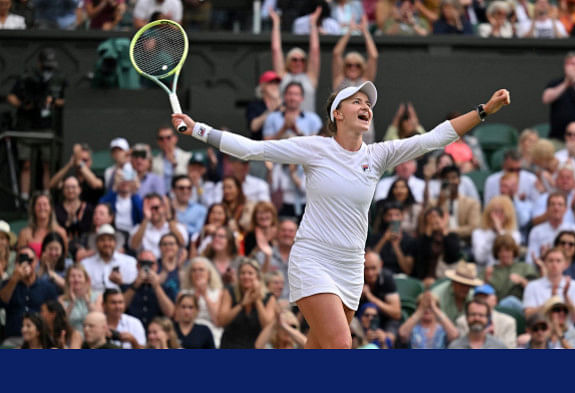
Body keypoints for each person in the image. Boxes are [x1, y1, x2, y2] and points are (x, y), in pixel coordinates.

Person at [172, 81, 510, 348]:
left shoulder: (379, 155)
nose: (366, 107)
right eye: (356, 101)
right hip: (313, 259)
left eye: (368, 103)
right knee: (340, 345)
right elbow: (251, 149)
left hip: (351, 269)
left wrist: (484, 111)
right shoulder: (315, 148)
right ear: (338, 114)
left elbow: (434, 139)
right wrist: (197, 129)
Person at [6, 49, 67, 199]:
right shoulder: (27, 78)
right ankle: (24, 197)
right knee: (26, 164)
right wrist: (23, 104)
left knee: (47, 163)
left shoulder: (59, 79)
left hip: (46, 127)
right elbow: (11, 97)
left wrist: (51, 101)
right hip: (26, 126)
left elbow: (66, 100)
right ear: (39, 63)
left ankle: (46, 197)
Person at [0, 247, 57, 347]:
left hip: (40, 340)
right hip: (14, 338)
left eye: (30, 260)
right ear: (16, 263)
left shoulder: (47, 287)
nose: (26, 264)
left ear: (36, 262)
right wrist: (14, 280)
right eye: (21, 260)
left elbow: (54, 314)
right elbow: (1, 302)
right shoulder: (7, 284)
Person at [269, 6, 320, 114]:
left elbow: (315, 50)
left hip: (308, 128)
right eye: (294, 59)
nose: (298, 62)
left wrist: (312, 24)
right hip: (285, 126)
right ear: (288, 61)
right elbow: (276, 50)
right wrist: (276, 23)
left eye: (302, 59)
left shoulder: (310, 77)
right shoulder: (283, 76)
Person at [217, 259, 276, 349]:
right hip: (230, 345)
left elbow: (267, 327)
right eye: (242, 273)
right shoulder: (229, 292)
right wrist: (241, 304)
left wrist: (257, 299)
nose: (246, 276)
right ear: (238, 276)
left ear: (258, 277)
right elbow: (221, 321)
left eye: (250, 273)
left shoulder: (269, 297)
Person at [541, 54, 575, 141]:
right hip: (557, 138)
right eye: (568, 64)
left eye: (573, 64)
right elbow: (545, 98)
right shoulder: (555, 83)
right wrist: (565, 83)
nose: (570, 67)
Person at [523, 247, 575, 323]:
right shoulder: (532, 286)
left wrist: (566, 296)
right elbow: (528, 316)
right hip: (541, 329)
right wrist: (551, 301)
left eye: (558, 261)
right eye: (550, 261)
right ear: (544, 263)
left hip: (567, 330)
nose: (554, 264)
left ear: (565, 264)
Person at [526, 192, 575, 265]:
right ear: (547, 208)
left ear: (566, 209)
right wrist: (543, 257)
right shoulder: (536, 231)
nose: (556, 208)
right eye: (552, 204)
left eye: (560, 204)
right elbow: (530, 260)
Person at [122, 252, 177, 328]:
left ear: (156, 266)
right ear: (137, 266)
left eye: (150, 264)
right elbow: (119, 308)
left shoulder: (166, 289)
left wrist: (157, 287)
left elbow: (170, 313)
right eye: (143, 263)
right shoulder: (127, 287)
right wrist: (135, 285)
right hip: (132, 329)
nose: (147, 267)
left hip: (157, 332)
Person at [485, 235, 538, 312]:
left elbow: (537, 291)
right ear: (496, 253)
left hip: (521, 308)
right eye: (500, 251)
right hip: (495, 308)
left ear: (514, 251)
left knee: (511, 301)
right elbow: (480, 295)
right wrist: (486, 281)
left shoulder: (525, 267)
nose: (504, 254)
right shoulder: (490, 270)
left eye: (507, 250)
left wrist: (522, 281)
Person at [455, 284, 517, 348]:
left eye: (485, 297)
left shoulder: (508, 322)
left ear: (495, 300)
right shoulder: (462, 321)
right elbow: (461, 345)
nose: (482, 300)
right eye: (478, 297)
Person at [180, 257, 224, 347]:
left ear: (209, 273)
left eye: (201, 270)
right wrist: (196, 295)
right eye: (194, 270)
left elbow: (217, 320)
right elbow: (178, 317)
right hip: (189, 327)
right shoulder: (183, 293)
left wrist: (205, 295)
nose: (197, 273)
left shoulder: (218, 292)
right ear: (190, 274)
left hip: (212, 329)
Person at [80, 224, 138, 293]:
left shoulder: (130, 262)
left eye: (110, 240)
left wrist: (121, 283)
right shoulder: (85, 264)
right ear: (96, 243)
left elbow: (134, 289)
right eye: (102, 240)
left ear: (115, 243)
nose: (106, 244)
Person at [130, 193, 187, 259]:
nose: (153, 211)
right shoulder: (138, 228)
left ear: (163, 207)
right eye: (149, 208)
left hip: (171, 264)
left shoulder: (178, 227)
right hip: (148, 265)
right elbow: (134, 246)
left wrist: (169, 217)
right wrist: (146, 219)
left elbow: (182, 243)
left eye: (156, 208)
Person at [472, 196, 520, 267]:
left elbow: (513, 258)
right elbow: (480, 259)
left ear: (508, 215)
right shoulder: (478, 233)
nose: (497, 216)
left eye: (501, 212)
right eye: (495, 212)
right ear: (488, 214)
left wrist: (500, 232)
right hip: (486, 272)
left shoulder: (515, 234)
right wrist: (491, 234)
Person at [17, 192, 68, 259]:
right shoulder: (24, 233)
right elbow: (20, 259)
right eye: (39, 205)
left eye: (45, 204)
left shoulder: (61, 232)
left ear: (51, 208)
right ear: (34, 208)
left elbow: (64, 257)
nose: (42, 208)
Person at [99, 164, 143, 234]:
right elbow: (102, 205)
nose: (125, 182)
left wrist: (135, 190)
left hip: (132, 233)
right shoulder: (113, 197)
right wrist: (115, 186)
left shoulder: (136, 199)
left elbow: (141, 215)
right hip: (114, 233)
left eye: (128, 180)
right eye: (122, 179)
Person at [58, 264, 102, 336]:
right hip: (72, 337)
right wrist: (72, 303)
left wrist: (87, 299)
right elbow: (61, 322)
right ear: (67, 280)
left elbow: (99, 318)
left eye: (80, 276)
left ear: (86, 279)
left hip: (93, 337)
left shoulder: (97, 296)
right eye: (73, 276)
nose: (76, 279)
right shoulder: (61, 299)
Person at [55, 176, 94, 248]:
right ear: (63, 190)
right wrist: (68, 223)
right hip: (62, 246)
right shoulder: (57, 210)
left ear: (80, 189)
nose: (70, 190)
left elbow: (88, 231)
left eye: (73, 187)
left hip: (84, 247)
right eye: (67, 187)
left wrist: (75, 221)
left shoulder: (88, 208)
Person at [247, 71, 283, 141]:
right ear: (262, 86)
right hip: (260, 144)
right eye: (271, 83)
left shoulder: (285, 104)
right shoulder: (255, 105)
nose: (275, 86)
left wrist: (280, 105)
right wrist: (270, 110)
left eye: (277, 83)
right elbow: (253, 127)